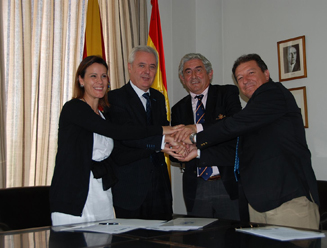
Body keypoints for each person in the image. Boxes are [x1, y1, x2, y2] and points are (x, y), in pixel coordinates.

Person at [177, 54, 320, 230]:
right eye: (240, 78)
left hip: (288, 200)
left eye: (251, 73)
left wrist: (195, 136)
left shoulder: (273, 93)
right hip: (259, 204)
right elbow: (238, 150)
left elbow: (233, 125)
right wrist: (197, 152)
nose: (245, 80)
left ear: (266, 74)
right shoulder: (254, 110)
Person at [50, 55, 181, 226]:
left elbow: (119, 155)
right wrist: (162, 130)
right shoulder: (74, 108)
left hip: (102, 192)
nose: (100, 81)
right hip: (75, 193)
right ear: (81, 80)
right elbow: (119, 131)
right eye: (93, 76)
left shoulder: (104, 115)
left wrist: (166, 145)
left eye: (104, 76)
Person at [171, 53, 242, 221]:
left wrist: (196, 130)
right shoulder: (178, 109)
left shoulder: (227, 93)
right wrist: (178, 149)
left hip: (227, 184)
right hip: (195, 187)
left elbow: (233, 129)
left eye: (198, 70)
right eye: (188, 72)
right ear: (182, 78)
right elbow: (177, 148)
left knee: (233, 239)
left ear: (210, 73)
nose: (193, 76)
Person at [108, 46, 175, 220]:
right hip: (130, 189)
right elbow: (128, 136)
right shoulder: (115, 98)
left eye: (152, 67)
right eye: (142, 65)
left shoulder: (158, 98)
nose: (147, 71)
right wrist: (161, 143)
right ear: (130, 67)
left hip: (160, 189)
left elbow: (165, 132)